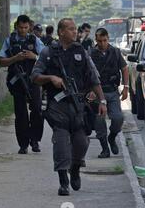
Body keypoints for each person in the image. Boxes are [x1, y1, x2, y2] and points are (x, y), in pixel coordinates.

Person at [31, 18, 107, 196]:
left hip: (78, 105)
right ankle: (63, 181)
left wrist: (102, 101)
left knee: (81, 142)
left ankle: (75, 168)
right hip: (57, 107)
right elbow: (34, 76)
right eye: (71, 29)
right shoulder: (48, 52)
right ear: (61, 32)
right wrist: (50, 78)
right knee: (61, 143)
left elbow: (93, 78)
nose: (75, 32)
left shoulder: (81, 51)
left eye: (75, 29)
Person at [0, 15, 45, 154]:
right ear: (16, 26)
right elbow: (1, 61)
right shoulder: (10, 41)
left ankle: (35, 141)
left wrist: (34, 56)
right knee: (21, 114)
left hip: (33, 80)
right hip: (17, 82)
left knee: (36, 110)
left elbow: (46, 58)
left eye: (26, 28)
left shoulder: (35, 40)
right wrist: (15, 58)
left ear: (29, 27)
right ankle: (23, 144)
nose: (23, 30)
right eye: (20, 27)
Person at [89, 28, 129, 158]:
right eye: (99, 41)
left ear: (108, 39)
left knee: (118, 118)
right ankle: (105, 149)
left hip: (112, 91)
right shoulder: (91, 54)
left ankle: (112, 137)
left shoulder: (115, 52)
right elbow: (86, 74)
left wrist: (126, 87)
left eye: (104, 40)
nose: (102, 43)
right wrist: (89, 90)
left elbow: (124, 68)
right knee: (100, 123)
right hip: (97, 93)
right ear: (96, 40)